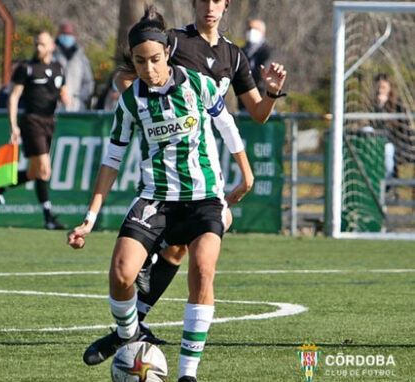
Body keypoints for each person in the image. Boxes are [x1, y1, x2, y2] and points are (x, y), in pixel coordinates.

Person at [69, 8, 254, 380]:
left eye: (155, 60)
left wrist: (246, 178)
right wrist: (89, 218)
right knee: (122, 273)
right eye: (140, 62)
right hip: (155, 198)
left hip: (204, 198)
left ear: (168, 52)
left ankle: (188, 373)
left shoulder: (198, 84)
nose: (149, 69)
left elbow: (228, 127)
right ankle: (128, 335)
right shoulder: (130, 101)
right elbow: (112, 160)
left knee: (202, 271)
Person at [115, 0, 287, 345]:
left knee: (182, 247)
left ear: (227, 6)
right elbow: (125, 78)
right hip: (166, 166)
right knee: (191, 240)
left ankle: (137, 320)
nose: (209, 7)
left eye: (216, 1)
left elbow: (257, 112)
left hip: (204, 164)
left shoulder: (234, 56)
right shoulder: (174, 41)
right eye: (202, 0)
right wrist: (152, 113)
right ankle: (138, 302)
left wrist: (271, 92)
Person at [0, 30, 71, 230]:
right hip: (31, 121)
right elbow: (14, 97)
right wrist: (13, 125)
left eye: (42, 44)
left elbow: (63, 91)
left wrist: (66, 98)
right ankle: (49, 217)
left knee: (35, 172)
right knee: (45, 169)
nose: (38, 48)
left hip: (50, 122)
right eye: (36, 44)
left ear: (52, 47)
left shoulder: (58, 68)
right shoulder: (27, 68)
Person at [53, 21, 95, 111]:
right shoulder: (52, 55)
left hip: (77, 108)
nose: (67, 37)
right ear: (58, 35)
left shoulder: (81, 58)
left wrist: (78, 97)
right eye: (64, 34)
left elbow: (89, 82)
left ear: (75, 36)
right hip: (54, 107)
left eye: (69, 34)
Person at [241, 19, 273, 97]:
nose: (252, 31)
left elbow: (264, 72)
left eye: (255, 29)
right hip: (244, 101)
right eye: (249, 29)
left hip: (263, 97)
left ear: (263, 32)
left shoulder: (269, 51)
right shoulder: (242, 51)